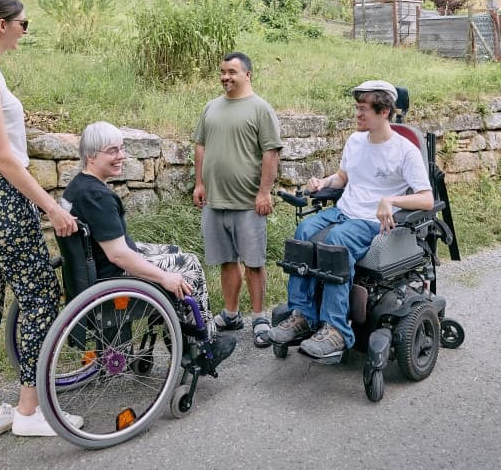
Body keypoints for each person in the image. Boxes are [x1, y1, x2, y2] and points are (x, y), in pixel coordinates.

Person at [0, 0, 83, 449]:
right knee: (40, 296)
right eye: (24, 24)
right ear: (2, 25)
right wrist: (52, 207)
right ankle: (30, 410)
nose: (26, 32)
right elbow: (4, 158)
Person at [268, 79, 434, 359]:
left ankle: (336, 329)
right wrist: (324, 182)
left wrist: (391, 200)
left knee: (336, 241)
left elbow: (426, 199)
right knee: (304, 232)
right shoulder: (355, 141)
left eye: (362, 109)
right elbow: (343, 177)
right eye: (356, 108)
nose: (357, 114)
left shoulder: (405, 151)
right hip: (344, 211)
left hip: (372, 221)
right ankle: (303, 315)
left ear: (384, 112)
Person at [63, 120, 236, 370]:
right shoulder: (98, 197)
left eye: (121, 148)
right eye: (112, 151)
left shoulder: (78, 186)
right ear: (91, 156)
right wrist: (164, 278)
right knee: (189, 265)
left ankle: (179, 334)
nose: (121, 156)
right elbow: (118, 255)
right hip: (113, 273)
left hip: (95, 264)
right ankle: (202, 345)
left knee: (174, 252)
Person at [193, 52, 282, 348]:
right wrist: (199, 183)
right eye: (222, 72)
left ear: (248, 74)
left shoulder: (260, 109)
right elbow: (201, 146)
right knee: (226, 261)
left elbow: (271, 153)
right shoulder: (211, 107)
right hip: (214, 201)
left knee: (253, 263)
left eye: (231, 71)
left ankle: (259, 317)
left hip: (248, 203)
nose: (225, 77)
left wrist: (264, 193)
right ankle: (231, 314)